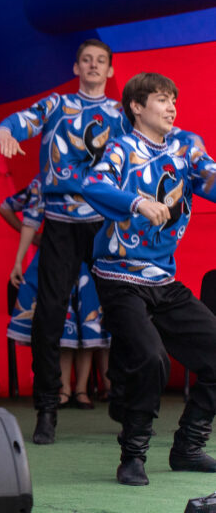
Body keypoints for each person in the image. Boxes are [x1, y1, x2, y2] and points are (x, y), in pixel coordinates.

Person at [82, 72, 216, 486]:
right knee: (151, 358)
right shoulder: (122, 148)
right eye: (161, 99)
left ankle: (188, 447)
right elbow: (93, 184)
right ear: (137, 107)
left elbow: (211, 178)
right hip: (119, 276)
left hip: (163, 280)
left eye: (173, 99)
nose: (171, 107)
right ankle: (133, 456)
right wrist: (137, 202)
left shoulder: (187, 147)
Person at [0, 39, 131, 444]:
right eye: (86, 60)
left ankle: (127, 401)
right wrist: (5, 131)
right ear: (76, 68)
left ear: (110, 71)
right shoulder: (56, 105)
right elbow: (17, 123)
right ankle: (47, 407)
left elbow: (154, 142)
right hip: (59, 222)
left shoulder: (121, 114)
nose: (93, 66)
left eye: (100, 61)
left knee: (125, 307)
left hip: (103, 222)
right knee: (49, 314)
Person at [6, 175, 110, 409]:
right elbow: (24, 216)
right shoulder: (46, 180)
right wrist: (21, 258)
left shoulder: (100, 175)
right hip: (57, 258)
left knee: (88, 326)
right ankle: (63, 389)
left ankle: (81, 390)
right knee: (60, 324)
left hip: (88, 260)